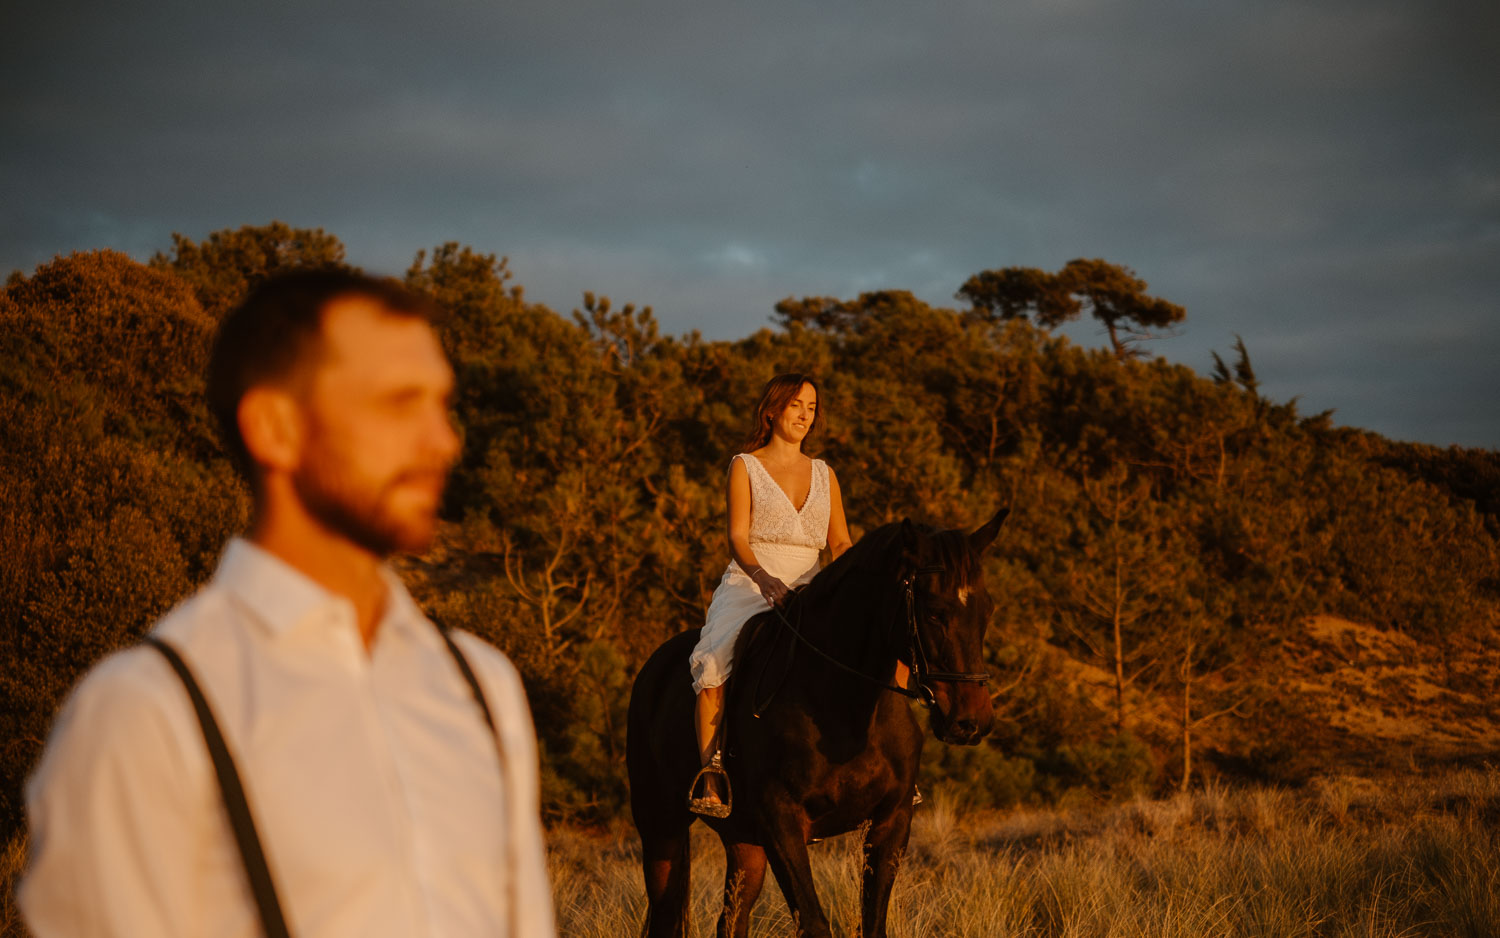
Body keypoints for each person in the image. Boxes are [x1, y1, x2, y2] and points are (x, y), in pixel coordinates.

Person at [19, 270, 556, 937]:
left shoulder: (481, 685)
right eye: (398, 404)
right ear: (275, 428)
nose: (444, 441)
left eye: (442, 405)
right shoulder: (146, 711)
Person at [686, 373, 900, 817]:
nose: (805, 415)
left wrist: (860, 584)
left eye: (811, 407)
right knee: (712, 664)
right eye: (796, 405)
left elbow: (840, 543)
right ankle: (712, 771)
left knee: (884, 651)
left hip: (814, 583)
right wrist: (762, 577)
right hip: (753, 581)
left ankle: (895, 768)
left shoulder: (824, 473)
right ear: (772, 411)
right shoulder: (745, 465)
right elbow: (737, 537)